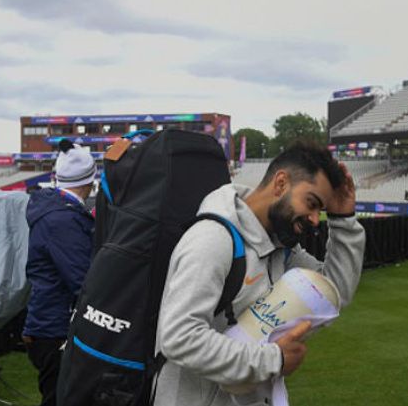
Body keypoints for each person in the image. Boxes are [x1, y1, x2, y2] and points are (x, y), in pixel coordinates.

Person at [154, 142, 365, 406]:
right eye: (311, 203)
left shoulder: (281, 247)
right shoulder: (212, 239)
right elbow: (178, 338)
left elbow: (332, 295)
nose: (314, 219)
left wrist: (343, 220)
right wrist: (273, 359)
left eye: (319, 211)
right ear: (280, 183)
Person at [23, 140, 96, 406]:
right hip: (55, 330)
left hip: (49, 326)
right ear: (90, 179)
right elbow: (83, 280)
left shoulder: (56, 212)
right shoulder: (62, 220)